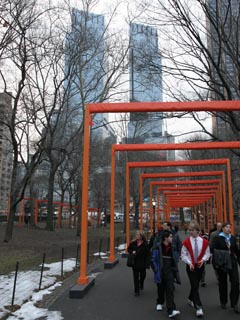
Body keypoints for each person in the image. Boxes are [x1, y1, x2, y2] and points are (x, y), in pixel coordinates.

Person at [181, 220, 210, 317]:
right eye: (190, 230)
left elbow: (207, 253)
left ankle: (190, 298)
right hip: (191, 267)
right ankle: (199, 307)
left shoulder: (205, 242)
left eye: (192, 230)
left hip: (200, 266)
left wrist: (203, 260)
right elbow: (183, 255)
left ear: (198, 231)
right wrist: (189, 262)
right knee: (194, 284)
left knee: (195, 285)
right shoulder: (186, 242)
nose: (190, 232)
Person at [211, 222, 240, 313]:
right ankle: (223, 301)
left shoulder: (233, 238)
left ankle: (234, 303)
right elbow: (213, 250)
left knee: (235, 282)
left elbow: (236, 251)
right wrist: (215, 263)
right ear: (222, 228)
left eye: (229, 227)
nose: (228, 229)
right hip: (222, 262)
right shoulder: (217, 238)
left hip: (232, 261)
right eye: (226, 227)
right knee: (223, 282)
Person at [152, 230, 180, 318]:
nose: (172, 238)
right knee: (161, 288)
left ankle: (171, 309)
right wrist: (156, 270)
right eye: (171, 237)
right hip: (160, 271)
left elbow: (174, 259)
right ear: (166, 238)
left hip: (170, 271)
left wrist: (174, 268)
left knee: (170, 289)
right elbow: (153, 259)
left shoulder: (172, 247)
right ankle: (160, 302)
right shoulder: (158, 247)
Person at [127, 230, 150, 296]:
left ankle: (141, 282)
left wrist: (147, 263)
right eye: (136, 234)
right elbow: (129, 249)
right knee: (135, 277)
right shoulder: (133, 243)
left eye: (138, 235)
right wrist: (132, 252)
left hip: (142, 262)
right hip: (135, 262)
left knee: (143, 275)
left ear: (141, 236)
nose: (136, 236)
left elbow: (148, 254)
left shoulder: (145, 244)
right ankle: (136, 291)